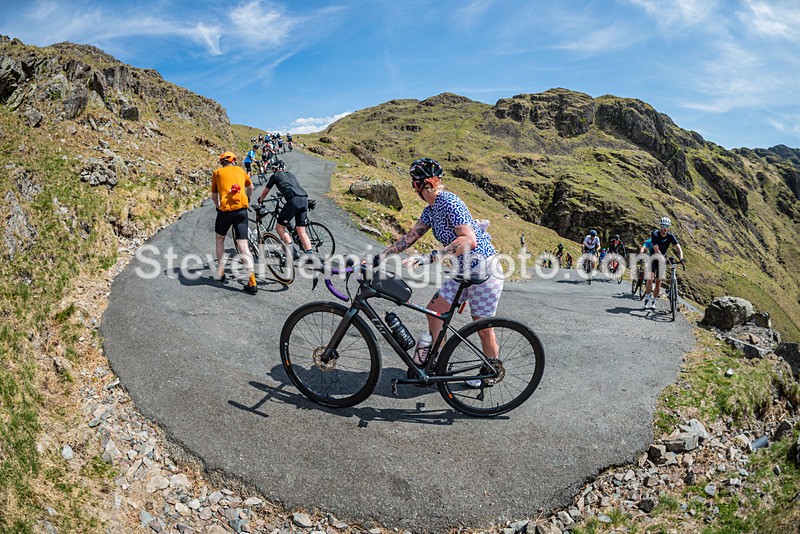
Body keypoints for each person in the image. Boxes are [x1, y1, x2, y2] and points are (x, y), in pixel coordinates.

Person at [372, 158, 503, 388]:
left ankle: (491, 371)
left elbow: (468, 240)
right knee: (434, 311)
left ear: (418, 184)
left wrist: (429, 258)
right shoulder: (431, 210)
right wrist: (380, 257)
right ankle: (440, 362)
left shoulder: (450, 202)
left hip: (483, 270)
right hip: (462, 271)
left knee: (482, 328)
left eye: (413, 183)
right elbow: (409, 238)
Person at [211, 151, 257, 294]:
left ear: (222, 162)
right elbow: (251, 187)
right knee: (243, 246)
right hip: (241, 210)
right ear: (233, 161)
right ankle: (252, 281)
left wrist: (218, 206)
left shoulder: (217, 173)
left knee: (220, 239)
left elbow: (214, 196)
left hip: (225, 211)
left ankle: (221, 272)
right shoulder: (241, 171)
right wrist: (247, 198)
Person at [257, 161, 313, 260]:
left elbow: (266, 191)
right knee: (301, 230)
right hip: (304, 199)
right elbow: (291, 186)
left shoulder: (275, 176)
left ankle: (293, 253)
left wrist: (261, 199)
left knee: (280, 227)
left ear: (274, 168)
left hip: (294, 201)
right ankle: (310, 255)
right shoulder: (291, 174)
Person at [642, 217, 684, 309]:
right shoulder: (655, 234)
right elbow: (656, 250)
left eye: (667, 226)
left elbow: (678, 248)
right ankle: (647, 298)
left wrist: (681, 257)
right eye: (664, 226)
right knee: (650, 279)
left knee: (658, 282)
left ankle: (654, 301)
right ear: (661, 226)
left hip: (661, 260)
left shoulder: (670, 236)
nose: (665, 228)